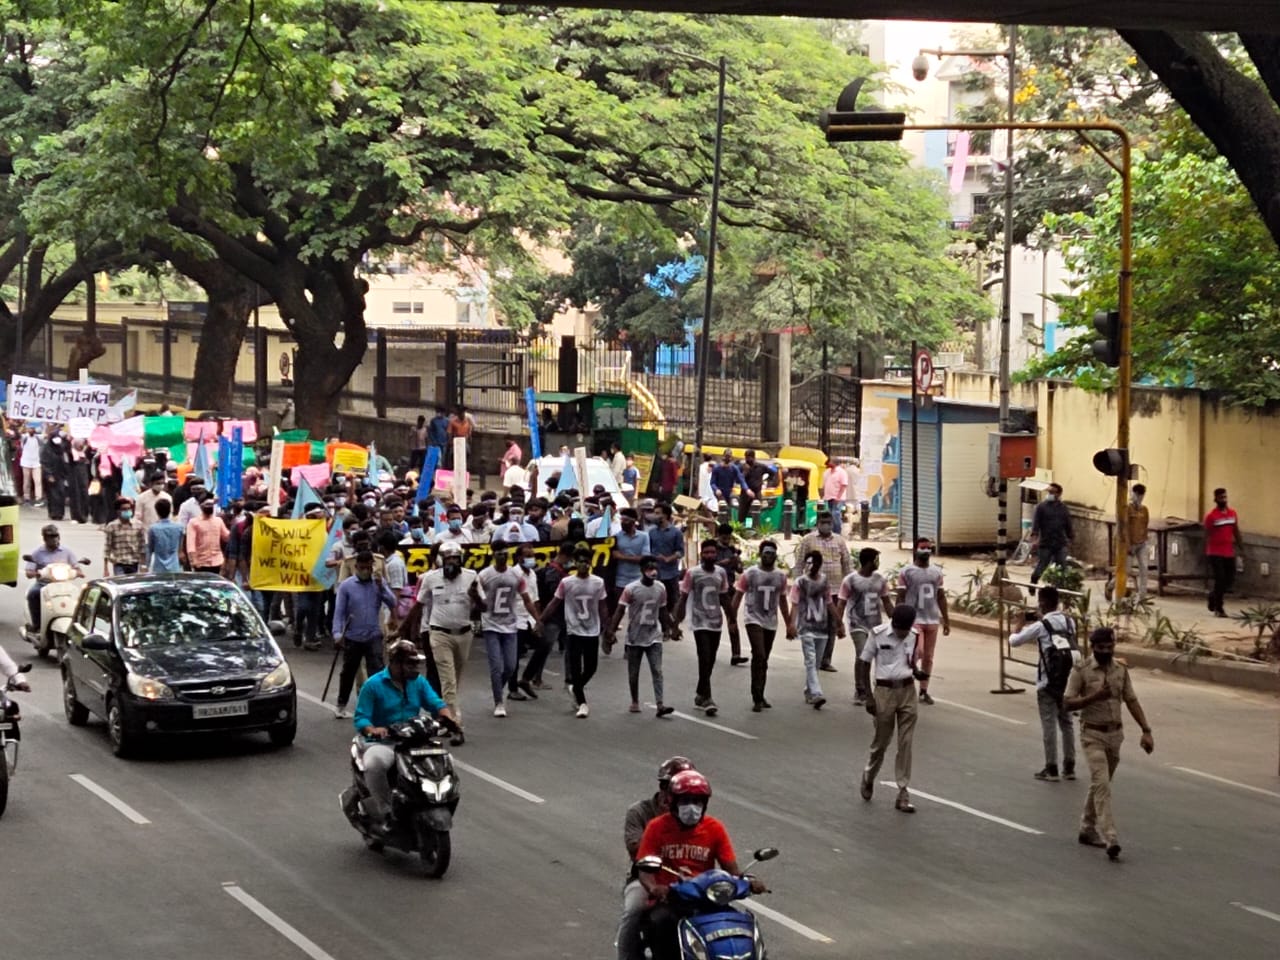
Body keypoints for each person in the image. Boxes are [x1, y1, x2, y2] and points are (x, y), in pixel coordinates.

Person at [635, 770, 765, 960]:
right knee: (659, 924)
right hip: (671, 899)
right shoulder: (656, 827)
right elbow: (644, 870)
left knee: (739, 924)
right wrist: (655, 888)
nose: (692, 807)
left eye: (697, 802)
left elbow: (732, 870)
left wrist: (749, 882)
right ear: (673, 802)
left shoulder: (714, 828)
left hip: (707, 898)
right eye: (685, 801)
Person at [1063, 627, 1155, 861]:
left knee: (1100, 783)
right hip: (1092, 734)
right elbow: (1067, 703)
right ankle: (1110, 837)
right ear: (1093, 647)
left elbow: (1131, 700)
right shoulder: (1081, 670)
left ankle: (1086, 827)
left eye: (1110, 647)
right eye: (1101, 648)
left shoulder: (1120, 670)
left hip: (1115, 735)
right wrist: (1094, 697)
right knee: (1102, 784)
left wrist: (1146, 730)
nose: (1106, 651)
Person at [351, 639, 456, 836]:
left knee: (447, 760)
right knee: (374, 764)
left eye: (416, 663)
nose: (415, 667)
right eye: (410, 663)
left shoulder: (418, 682)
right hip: (385, 742)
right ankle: (386, 812)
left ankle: (430, 801)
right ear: (395, 663)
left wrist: (448, 718)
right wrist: (374, 729)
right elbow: (361, 717)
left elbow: (436, 703)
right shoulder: (373, 685)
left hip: (414, 740)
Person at [616, 757, 695, 960]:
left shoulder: (693, 814)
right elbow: (636, 850)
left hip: (686, 878)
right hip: (646, 877)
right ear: (663, 787)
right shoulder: (639, 812)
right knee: (634, 910)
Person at [399, 540, 476, 746]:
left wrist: (476, 596)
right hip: (439, 634)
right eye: (448, 559)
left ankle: (444, 715)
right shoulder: (430, 579)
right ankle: (456, 725)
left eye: (456, 559)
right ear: (441, 560)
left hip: (464, 634)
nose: (452, 562)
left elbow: (482, 607)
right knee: (448, 680)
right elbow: (418, 605)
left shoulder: (471, 577)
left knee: (454, 680)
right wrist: (403, 629)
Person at [857, 604, 924, 813]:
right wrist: (868, 696)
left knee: (906, 742)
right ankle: (869, 775)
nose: (901, 634)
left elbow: (909, 661)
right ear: (893, 623)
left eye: (905, 630)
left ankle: (903, 791)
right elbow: (864, 664)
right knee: (881, 742)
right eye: (898, 629)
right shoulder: (877, 635)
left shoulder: (914, 636)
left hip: (907, 690)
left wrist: (917, 672)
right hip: (884, 692)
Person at [1009, 586, 1080, 781]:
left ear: (1041, 603)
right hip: (1067, 680)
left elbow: (1014, 641)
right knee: (1067, 723)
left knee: (1049, 724)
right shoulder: (1070, 622)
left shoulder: (1041, 626)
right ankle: (1070, 767)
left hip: (1047, 681)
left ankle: (1051, 768)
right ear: (1057, 602)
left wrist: (1019, 624)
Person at [473, 540, 540, 718]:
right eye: (499, 554)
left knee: (510, 666)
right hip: (491, 625)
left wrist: (537, 619)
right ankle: (498, 701)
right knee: (496, 665)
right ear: (493, 555)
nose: (502, 557)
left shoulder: (516, 576)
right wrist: (476, 599)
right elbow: (478, 600)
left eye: (504, 553)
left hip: (510, 625)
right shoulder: (484, 575)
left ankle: (498, 687)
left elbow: (527, 599)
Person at [540, 545, 608, 718]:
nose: (583, 564)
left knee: (591, 667)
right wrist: (541, 620)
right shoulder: (567, 582)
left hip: (592, 629)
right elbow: (554, 603)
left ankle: (576, 688)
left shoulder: (598, 582)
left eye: (586, 561)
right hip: (574, 630)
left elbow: (602, 606)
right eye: (580, 561)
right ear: (575, 563)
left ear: (590, 562)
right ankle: (582, 702)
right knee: (575, 667)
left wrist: (607, 628)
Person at [606, 556, 675, 717]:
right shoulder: (631, 589)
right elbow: (620, 611)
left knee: (657, 670)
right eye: (650, 568)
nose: (653, 571)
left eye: (655, 568)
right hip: (635, 637)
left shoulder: (660, 588)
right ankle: (635, 701)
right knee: (633, 672)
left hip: (654, 635)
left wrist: (670, 628)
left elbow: (663, 610)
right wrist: (611, 631)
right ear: (642, 570)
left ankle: (660, 704)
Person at [332, 550, 396, 720]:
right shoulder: (346, 586)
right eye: (362, 568)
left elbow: (392, 602)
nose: (365, 571)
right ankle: (341, 703)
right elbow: (339, 612)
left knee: (377, 671)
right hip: (352, 635)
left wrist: (382, 587)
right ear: (356, 567)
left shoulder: (378, 583)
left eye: (368, 568)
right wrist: (337, 634)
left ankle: (379, 705)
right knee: (349, 671)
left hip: (373, 634)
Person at [732, 540, 791, 711]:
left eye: (772, 553)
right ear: (760, 554)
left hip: (770, 621)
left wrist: (789, 624)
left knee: (764, 658)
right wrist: (731, 618)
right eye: (766, 553)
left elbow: (782, 600)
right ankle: (756, 696)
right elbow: (738, 595)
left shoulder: (780, 576)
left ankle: (761, 693)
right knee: (759, 653)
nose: (769, 556)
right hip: (753, 618)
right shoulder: (750, 574)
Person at [674, 540, 731, 717]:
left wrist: (732, 619)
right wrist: (676, 624)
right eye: (706, 552)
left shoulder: (721, 573)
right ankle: (707, 698)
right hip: (699, 621)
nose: (709, 555)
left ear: (716, 554)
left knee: (711, 659)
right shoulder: (693, 573)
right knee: (704, 657)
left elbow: (724, 597)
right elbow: (683, 598)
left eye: (712, 552)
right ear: (701, 555)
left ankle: (700, 692)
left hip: (716, 622)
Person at [837, 547, 893, 706]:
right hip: (856, 623)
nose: (878, 562)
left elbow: (887, 602)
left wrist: (896, 620)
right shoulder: (850, 580)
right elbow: (841, 603)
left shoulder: (880, 580)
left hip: (875, 625)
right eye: (876, 559)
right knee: (862, 654)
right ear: (869, 561)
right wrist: (839, 624)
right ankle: (860, 689)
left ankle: (875, 687)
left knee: (878, 656)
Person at [796, 511, 852, 672]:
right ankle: (812, 656)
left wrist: (850, 585)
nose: (826, 525)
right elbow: (799, 563)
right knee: (812, 624)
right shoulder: (808, 540)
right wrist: (799, 586)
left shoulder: (839, 541)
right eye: (823, 522)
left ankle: (825, 660)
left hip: (835, 590)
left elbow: (847, 563)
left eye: (829, 522)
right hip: (813, 590)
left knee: (832, 625)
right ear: (818, 523)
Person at [897, 537, 949, 705]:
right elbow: (900, 596)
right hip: (914, 618)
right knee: (917, 651)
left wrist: (946, 619)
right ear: (915, 550)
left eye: (929, 548)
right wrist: (898, 617)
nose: (926, 551)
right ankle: (907, 674)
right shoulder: (907, 572)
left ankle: (924, 690)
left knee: (928, 656)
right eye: (923, 548)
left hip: (932, 618)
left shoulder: (936, 572)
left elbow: (941, 596)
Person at [788, 550, 842, 709]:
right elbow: (795, 604)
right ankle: (817, 693)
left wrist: (839, 622)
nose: (810, 566)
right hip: (806, 627)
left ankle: (809, 691)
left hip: (822, 627)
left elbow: (829, 602)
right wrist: (791, 624)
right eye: (808, 563)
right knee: (810, 661)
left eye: (814, 563)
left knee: (816, 663)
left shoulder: (824, 581)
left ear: (819, 565)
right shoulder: (800, 582)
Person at [25, 524, 82, 632]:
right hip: (44, 584)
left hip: (64, 584)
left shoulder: (67, 552)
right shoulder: (37, 553)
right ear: (44, 538)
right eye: (50, 536)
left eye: (56, 536)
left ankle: (78, 623)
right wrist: (37, 573)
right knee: (33, 594)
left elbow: (77, 568)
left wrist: (77, 573)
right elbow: (29, 572)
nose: (54, 539)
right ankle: (37, 625)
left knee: (80, 596)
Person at [1204, 486, 1243, 617]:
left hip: (1228, 552)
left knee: (1229, 579)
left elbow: (1236, 530)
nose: (1224, 500)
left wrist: (1241, 547)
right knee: (1220, 578)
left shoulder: (1232, 513)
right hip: (1215, 552)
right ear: (1215, 499)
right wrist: (1205, 552)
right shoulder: (1211, 516)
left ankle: (1212, 596)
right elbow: (1206, 534)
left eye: (1225, 497)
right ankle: (1219, 608)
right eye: (1221, 498)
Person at [608, 508, 650, 624]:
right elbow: (614, 556)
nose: (623, 523)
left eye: (626, 520)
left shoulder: (644, 536)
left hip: (638, 578)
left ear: (633, 521)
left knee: (638, 609)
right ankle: (611, 630)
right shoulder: (616, 537)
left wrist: (622, 557)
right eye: (622, 520)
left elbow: (644, 558)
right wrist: (634, 558)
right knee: (618, 609)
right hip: (620, 579)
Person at [1030, 482, 1073, 590]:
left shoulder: (1063, 508)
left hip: (1060, 542)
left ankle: (1059, 589)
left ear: (1059, 494)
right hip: (1046, 542)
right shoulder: (1041, 507)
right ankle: (1033, 581)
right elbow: (1036, 524)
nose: (1050, 494)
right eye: (1048, 492)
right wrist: (1034, 539)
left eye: (1052, 492)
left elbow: (1068, 524)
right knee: (1042, 565)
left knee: (1061, 566)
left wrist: (1070, 538)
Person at [647, 504, 684, 620]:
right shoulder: (652, 532)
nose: (655, 516)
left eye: (657, 513)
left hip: (671, 573)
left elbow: (680, 551)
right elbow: (648, 550)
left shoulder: (676, 532)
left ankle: (673, 623)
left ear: (665, 515)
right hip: (656, 573)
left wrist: (669, 558)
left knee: (673, 600)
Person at [185, 497, 229, 574]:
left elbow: (227, 537)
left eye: (211, 505)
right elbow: (190, 544)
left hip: (217, 561)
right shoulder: (194, 522)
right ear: (201, 506)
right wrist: (193, 560)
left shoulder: (218, 521)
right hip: (200, 562)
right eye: (207, 504)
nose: (209, 507)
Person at [103, 497, 146, 575]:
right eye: (124, 509)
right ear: (118, 511)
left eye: (129, 509)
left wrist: (143, 565)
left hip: (134, 563)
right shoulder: (112, 526)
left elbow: (142, 546)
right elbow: (107, 548)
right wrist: (106, 569)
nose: (127, 511)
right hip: (119, 564)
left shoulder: (138, 525)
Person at [1126, 483, 1151, 601]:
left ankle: (1142, 596)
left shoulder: (1144, 510)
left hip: (1142, 543)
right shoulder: (1128, 509)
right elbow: (1125, 527)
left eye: (1141, 495)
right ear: (1133, 494)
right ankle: (1111, 586)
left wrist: (1145, 540)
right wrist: (1128, 545)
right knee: (1126, 571)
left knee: (1144, 568)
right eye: (1137, 494)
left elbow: (1145, 525)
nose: (1139, 497)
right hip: (1130, 544)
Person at [146, 498, 184, 573]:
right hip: (174, 567)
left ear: (157, 512)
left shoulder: (153, 529)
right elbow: (180, 547)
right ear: (170, 510)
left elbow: (150, 548)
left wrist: (147, 564)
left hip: (158, 567)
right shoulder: (179, 527)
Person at [738, 449, 775, 525]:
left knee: (755, 512)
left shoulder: (761, 467)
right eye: (746, 457)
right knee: (743, 513)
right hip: (745, 493)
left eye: (749, 457)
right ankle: (744, 528)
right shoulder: (742, 467)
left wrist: (768, 482)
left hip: (756, 493)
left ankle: (754, 528)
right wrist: (745, 472)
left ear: (753, 457)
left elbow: (772, 473)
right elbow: (738, 480)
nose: (747, 459)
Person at [821, 458, 849, 535]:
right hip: (828, 496)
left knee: (835, 513)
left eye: (830, 462)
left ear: (834, 463)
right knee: (830, 515)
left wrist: (838, 497)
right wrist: (823, 495)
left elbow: (843, 485)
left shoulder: (841, 472)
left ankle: (837, 532)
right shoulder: (827, 472)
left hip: (838, 498)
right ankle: (832, 531)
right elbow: (824, 485)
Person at [19, 426, 43, 506]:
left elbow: (47, 434)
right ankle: (26, 498)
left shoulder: (38, 437)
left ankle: (38, 499)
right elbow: (18, 434)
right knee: (26, 481)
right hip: (26, 462)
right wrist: (24, 425)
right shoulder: (24, 437)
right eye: (30, 428)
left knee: (38, 481)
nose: (31, 430)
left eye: (33, 428)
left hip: (36, 463)